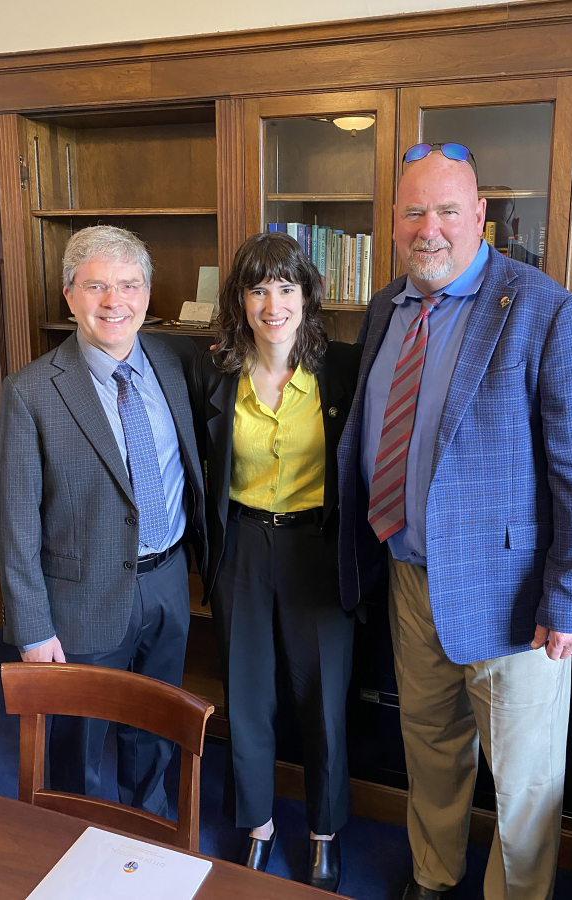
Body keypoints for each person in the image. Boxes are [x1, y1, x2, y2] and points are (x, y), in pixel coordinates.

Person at [337, 144, 572, 900]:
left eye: (447, 210)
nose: (430, 227)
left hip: (513, 598)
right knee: (430, 748)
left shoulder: (542, 308)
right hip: (409, 575)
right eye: (413, 211)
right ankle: (434, 875)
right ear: (393, 221)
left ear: (480, 216)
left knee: (524, 781)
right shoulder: (386, 308)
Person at [0, 225, 205, 817]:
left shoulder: (172, 359)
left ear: (148, 292)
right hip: (79, 600)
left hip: (166, 583)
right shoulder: (30, 391)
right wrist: (33, 630)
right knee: (77, 742)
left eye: (129, 285)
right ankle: (73, 841)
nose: (115, 301)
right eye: (96, 286)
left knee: (155, 726)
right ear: (70, 296)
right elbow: (15, 523)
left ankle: (148, 831)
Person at [195, 231, 360, 892]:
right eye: (258, 287)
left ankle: (325, 832)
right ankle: (258, 825)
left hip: (316, 549)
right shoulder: (214, 370)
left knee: (323, 701)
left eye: (286, 287)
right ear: (240, 297)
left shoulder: (340, 369)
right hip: (242, 546)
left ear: (306, 295)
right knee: (249, 695)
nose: (273, 302)